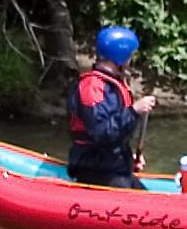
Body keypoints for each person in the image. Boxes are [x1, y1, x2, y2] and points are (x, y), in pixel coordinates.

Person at [65, 24, 156, 187]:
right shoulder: (93, 87)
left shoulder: (111, 86)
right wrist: (134, 111)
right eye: (130, 55)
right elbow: (101, 133)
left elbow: (114, 136)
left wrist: (128, 157)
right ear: (120, 56)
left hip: (110, 165)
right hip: (93, 168)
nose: (131, 60)